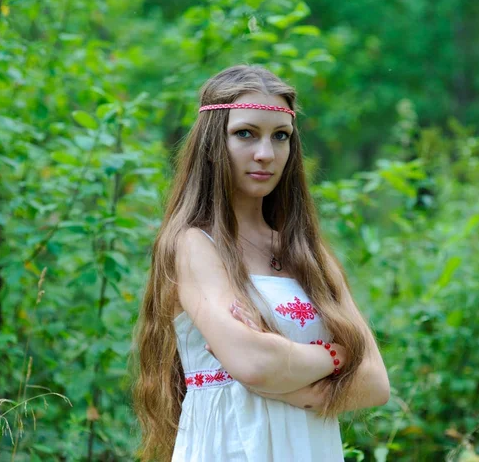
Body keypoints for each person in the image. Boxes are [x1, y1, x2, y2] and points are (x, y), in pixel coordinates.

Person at [132, 65, 390, 462]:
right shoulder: (194, 245)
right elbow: (254, 363)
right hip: (230, 449)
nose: (266, 154)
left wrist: (291, 380)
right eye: (245, 134)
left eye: (280, 137)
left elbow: (374, 382)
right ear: (213, 142)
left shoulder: (308, 254)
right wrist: (338, 354)